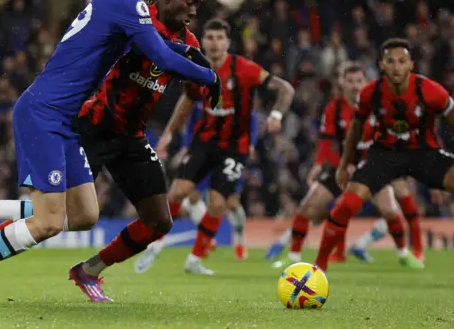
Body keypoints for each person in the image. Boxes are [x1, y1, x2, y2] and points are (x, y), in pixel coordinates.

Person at [0, 0, 220, 305]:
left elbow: (157, 45)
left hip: (66, 118)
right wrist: (210, 75)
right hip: (46, 112)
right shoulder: (127, 1)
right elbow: (160, 56)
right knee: (49, 221)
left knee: (85, 213)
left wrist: (188, 51)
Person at [315, 38, 454, 281]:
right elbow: (355, 129)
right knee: (347, 205)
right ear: (382, 66)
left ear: (411, 65)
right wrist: (344, 165)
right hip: (384, 154)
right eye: (390, 62)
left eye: (401, 61)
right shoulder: (370, 93)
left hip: (423, 153)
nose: (396, 67)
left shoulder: (431, 91)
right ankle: (319, 266)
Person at [135, 18, 295, 275]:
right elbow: (186, 103)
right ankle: (156, 244)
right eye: (209, 37)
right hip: (205, 142)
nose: (214, 43)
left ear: (228, 43)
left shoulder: (245, 69)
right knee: (177, 192)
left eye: (220, 38)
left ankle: (195, 259)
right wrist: (168, 134)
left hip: (235, 147)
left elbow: (285, 89)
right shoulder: (196, 68)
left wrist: (276, 116)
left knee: (218, 203)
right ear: (204, 40)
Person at [267, 63, 423, 270]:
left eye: (359, 81)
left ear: (366, 82)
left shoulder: (378, 106)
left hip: (372, 168)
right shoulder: (334, 108)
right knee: (307, 208)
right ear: (342, 83)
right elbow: (326, 143)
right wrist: (321, 164)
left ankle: (404, 254)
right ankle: (293, 256)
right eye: (350, 81)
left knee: (390, 210)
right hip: (339, 168)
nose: (355, 86)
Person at [133, 105, 258, 271]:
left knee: (230, 203)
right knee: (188, 194)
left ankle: (238, 239)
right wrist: (186, 146)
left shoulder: (239, 87)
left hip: (231, 151)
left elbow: (251, 116)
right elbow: (193, 117)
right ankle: (163, 242)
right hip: (204, 148)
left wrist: (252, 143)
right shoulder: (205, 90)